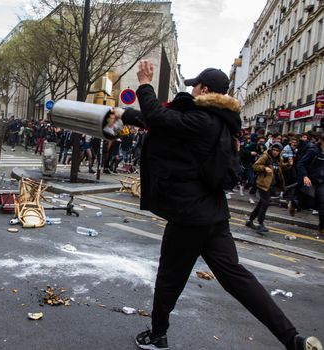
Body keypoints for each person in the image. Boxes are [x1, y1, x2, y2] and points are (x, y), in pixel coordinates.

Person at [112, 60, 321, 350]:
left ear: (204, 89)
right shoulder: (219, 121)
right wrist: (125, 114)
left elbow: (161, 120)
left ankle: (158, 335)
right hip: (213, 215)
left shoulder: (203, 120)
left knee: (170, 277)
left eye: (195, 86)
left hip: (189, 216)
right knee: (238, 279)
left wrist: (145, 84)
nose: (193, 90)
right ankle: (292, 338)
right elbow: (165, 122)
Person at [246, 143, 292, 234]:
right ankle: (260, 224)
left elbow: (280, 167)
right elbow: (255, 166)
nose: (275, 152)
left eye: (277, 151)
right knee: (266, 203)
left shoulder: (279, 158)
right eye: (274, 150)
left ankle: (250, 221)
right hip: (263, 183)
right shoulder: (265, 156)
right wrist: (264, 168)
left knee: (261, 203)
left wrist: (288, 165)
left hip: (271, 185)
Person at [297, 134, 324, 235]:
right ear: (322, 141)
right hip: (311, 179)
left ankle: (322, 227)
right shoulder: (313, 151)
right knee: (308, 202)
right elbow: (301, 164)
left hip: (322, 182)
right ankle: (294, 203)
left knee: (323, 203)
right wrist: (305, 176)